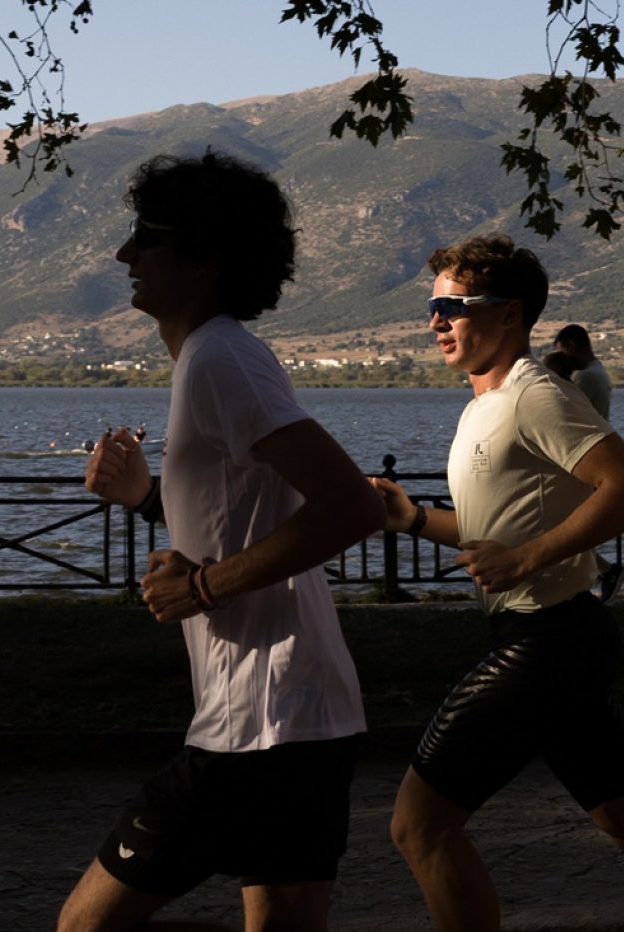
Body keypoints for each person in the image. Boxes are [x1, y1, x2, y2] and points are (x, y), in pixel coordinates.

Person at [63, 151, 385, 932]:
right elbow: (244, 516)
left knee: (85, 925)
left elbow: (350, 505)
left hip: (261, 721)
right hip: (301, 716)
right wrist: (147, 498)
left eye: (146, 236)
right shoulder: (216, 357)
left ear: (203, 256)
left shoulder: (220, 359)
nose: (125, 254)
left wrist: (203, 587)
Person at [371, 234, 624, 932]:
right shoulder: (484, 405)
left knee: (419, 826)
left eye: (455, 306)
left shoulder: (535, 395)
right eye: (433, 307)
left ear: (510, 314)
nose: (437, 320)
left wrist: (528, 559)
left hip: (546, 641)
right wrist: (411, 519)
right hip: (558, 639)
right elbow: (493, 533)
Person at [552, 323, 624, 601]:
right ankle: (593, 575)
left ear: (572, 346)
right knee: (565, 527)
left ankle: (601, 572)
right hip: (588, 455)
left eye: (562, 351)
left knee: (563, 528)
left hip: (579, 458)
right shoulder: (598, 371)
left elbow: (565, 412)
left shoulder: (585, 377)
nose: (563, 358)